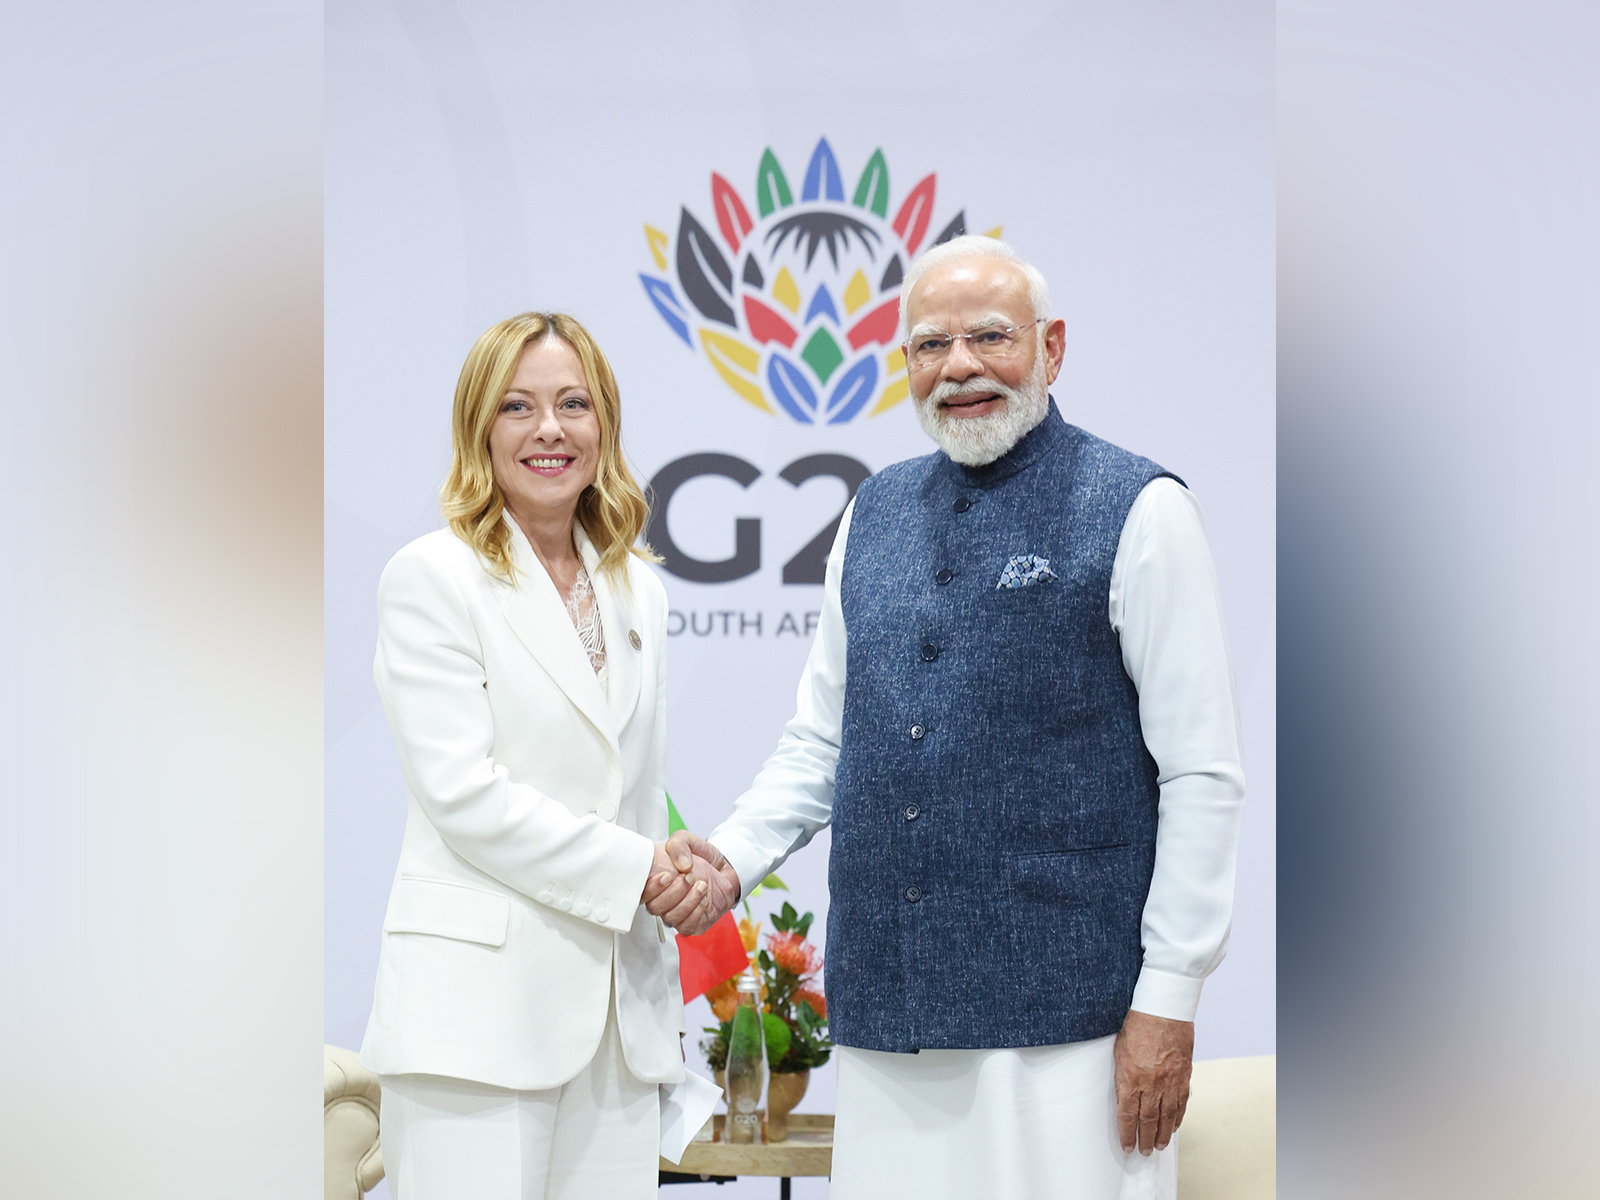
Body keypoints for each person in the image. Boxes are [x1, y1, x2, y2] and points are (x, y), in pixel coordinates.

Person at [669, 237, 1247, 1199]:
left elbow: (1202, 773)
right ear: (905, 368)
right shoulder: (873, 512)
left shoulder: (1140, 509)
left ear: (1053, 348)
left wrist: (1169, 999)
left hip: (1076, 1027)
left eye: (991, 336)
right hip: (894, 1024)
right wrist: (728, 859)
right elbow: (822, 740)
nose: (961, 367)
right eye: (931, 346)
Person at [358, 311, 729, 1200]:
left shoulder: (639, 586)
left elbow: (630, 792)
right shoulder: (432, 577)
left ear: (604, 424)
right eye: (518, 407)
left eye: (573, 403)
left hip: (617, 1024)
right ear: (479, 427)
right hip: (475, 1022)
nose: (550, 430)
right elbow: (464, 794)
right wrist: (641, 866)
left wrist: (672, 868)